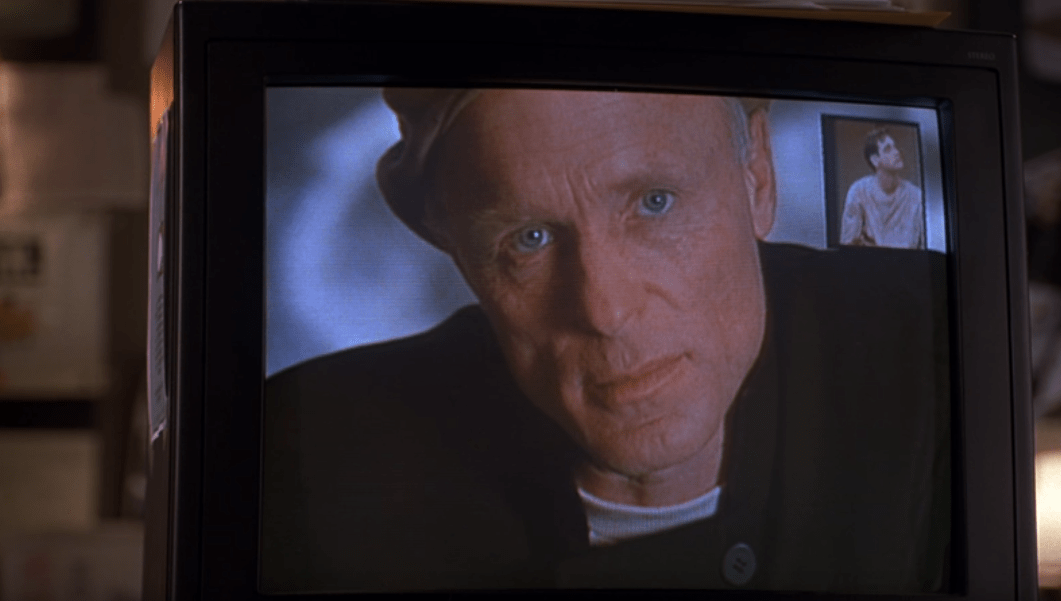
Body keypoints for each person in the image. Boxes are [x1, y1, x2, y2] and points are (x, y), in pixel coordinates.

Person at [261, 90, 950, 594]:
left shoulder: (939, 358)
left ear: (758, 177)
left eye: (655, 202)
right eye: (529, 239)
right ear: (458, 253)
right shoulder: (307, 468)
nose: (605, 310)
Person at [840, 127, 925, 249]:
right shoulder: (858, 192)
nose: (897, 152)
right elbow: (848, 246)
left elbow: (924, 248)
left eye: (895, 147)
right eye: (888, 149)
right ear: (875, 160)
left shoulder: (916, 196)